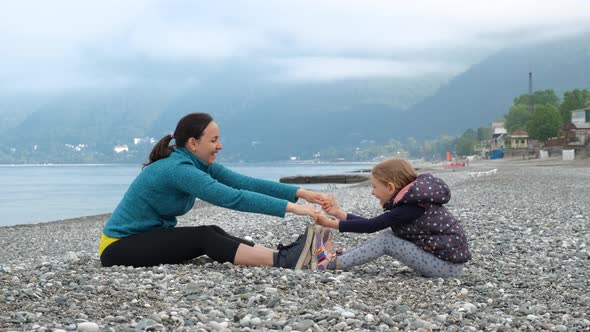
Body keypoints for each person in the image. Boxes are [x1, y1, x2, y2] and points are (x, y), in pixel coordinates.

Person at [99, 112, 334, 269]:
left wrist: (300, 193)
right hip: (119, 246)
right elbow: (231, 197)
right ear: (193, 143)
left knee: (212, 229)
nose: (219, 146)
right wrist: (295, 209)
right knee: (204, 237)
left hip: (143, 238)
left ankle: (285, 253)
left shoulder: (195, 164)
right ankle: (284, 260)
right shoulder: (179, 169)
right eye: (213, 140)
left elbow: (245, 183)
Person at [313, 159, 471, 277]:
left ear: (390, 187)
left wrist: (329, 223)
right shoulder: (413, 202)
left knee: (387, 241)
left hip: (446, 267)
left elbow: (371, 226)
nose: (372, 192)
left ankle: (334, 263)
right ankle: (339, 257)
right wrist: (338, 213)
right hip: (447, 264)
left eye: (374, 186)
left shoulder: (411, 206)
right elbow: (375, 223)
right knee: (389, 234)